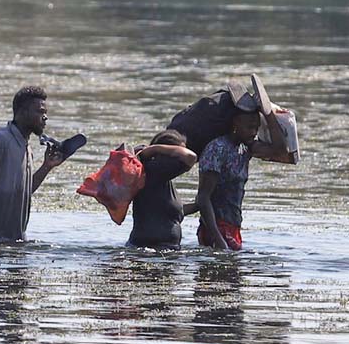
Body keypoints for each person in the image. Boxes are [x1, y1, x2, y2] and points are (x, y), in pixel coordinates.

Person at [0, 86, 70, 244]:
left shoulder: (26, 147)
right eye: (40, 112)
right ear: (22, 112)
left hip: (13, 241)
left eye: (45, 112)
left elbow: (24, 192)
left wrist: (47, 166)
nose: (45, 117)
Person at [186, 107, 296, 251]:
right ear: (235, 124)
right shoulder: (217, 149)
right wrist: (218, 238)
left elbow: (281, 150)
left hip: (232, 227)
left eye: (256, 128)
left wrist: (268, 114)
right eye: (249, 127)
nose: (253, 132)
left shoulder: (245, 148)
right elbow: (203, 197)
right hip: (217, 228)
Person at [127, 130, 198, 250]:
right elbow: (190, 157)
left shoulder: (161, 178)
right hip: (151, 250)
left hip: (160, 249)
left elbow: (168, 212)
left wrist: (198, 205)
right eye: (177, 153)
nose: (180, 163)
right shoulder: (153, 172)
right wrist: (155, 149)